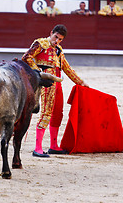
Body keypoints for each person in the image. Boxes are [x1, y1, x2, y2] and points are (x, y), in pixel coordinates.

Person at [22, 24, 89, 157]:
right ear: (51, 33)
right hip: (46, 83)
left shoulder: (58, 49)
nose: (56, 41)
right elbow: (26, 57)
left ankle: (53, 146)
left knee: (58, 114)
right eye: (56, 37)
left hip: (58, 84)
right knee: (46, 113)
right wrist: (39, 72)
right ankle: (38, 148)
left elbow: (67, 68)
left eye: (60, 39)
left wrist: (80, 82)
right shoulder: (40, 43)